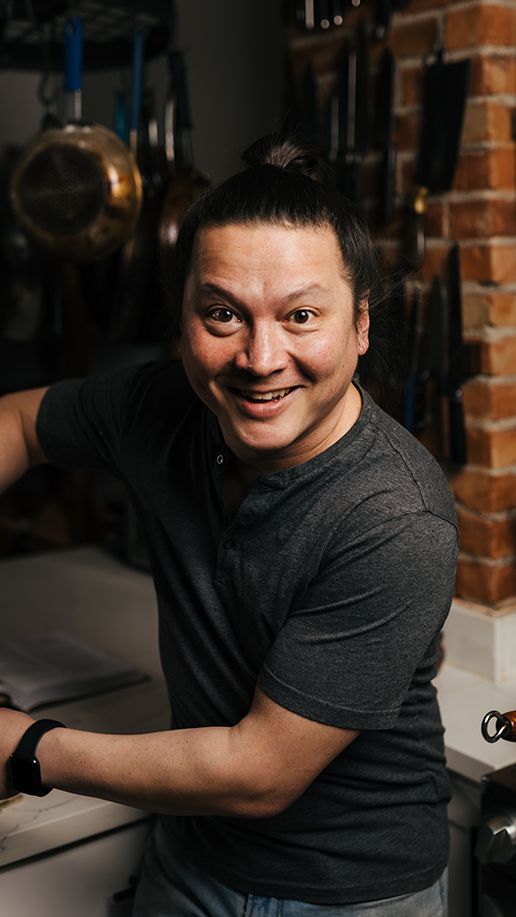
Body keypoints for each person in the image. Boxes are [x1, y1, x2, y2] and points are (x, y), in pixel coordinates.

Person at [0, 135, 457, 916]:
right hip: (190, 852)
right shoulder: (161, 409)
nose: (260, 356)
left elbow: (259, 773)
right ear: (182, 323)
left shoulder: (394, 515)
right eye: (223, 314)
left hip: (349, 893)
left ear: (361, 327)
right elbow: (21, 422)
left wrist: (23, 747)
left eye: (302, 314)